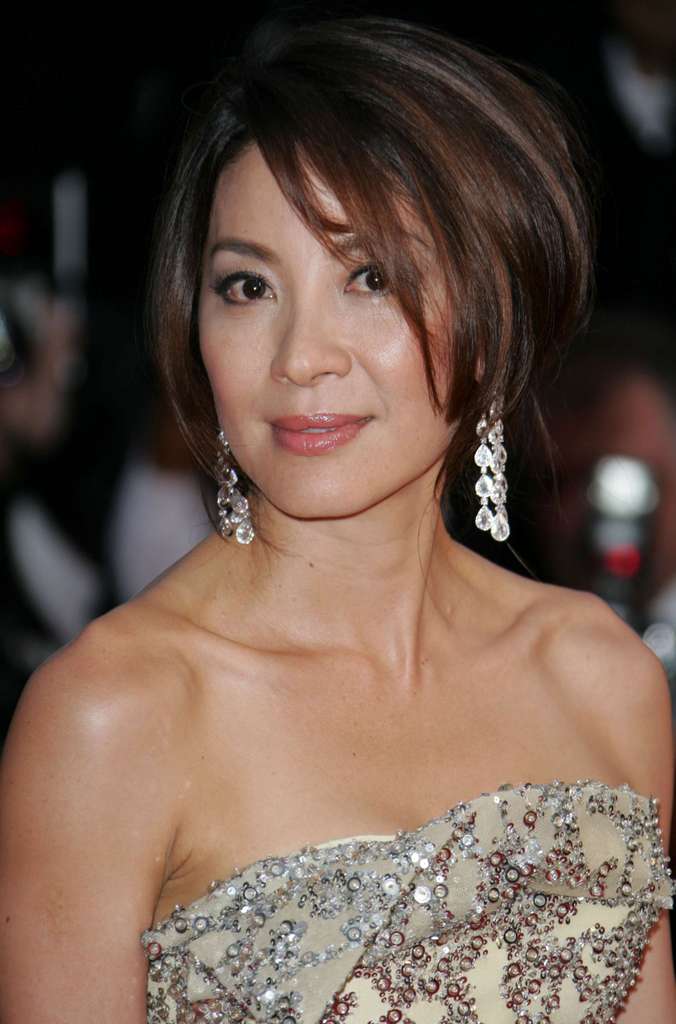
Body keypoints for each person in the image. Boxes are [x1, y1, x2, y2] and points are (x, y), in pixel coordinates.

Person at [0, 14, 674, 1022]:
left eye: (369, 278)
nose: (299, 355)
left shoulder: (600, 677)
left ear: (491, 314)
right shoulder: (113, 713)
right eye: (247, 286)